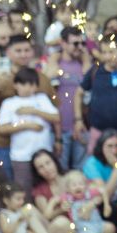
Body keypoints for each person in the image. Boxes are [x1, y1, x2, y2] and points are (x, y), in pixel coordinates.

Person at [0, 67, 60, 190]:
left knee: (47, 187)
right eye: (23, 84)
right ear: (15, 85)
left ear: (36, 86)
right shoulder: (9, 103)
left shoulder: (42, 98)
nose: (28, 88)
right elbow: (2, 128)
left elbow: (56, 117)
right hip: (21, 155)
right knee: (23, 189)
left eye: (32, 85)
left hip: (44, 153)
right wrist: (26, 125)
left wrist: (34, 111)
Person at [52, 26, 90, 170]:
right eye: (75, 43)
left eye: (82, 43)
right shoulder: (54, 64)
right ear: (63, 43)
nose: (79, 47)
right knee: (61, 171)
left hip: (81, 127)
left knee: (80, 173)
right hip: (59, 129)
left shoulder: (85, 65)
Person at [56, 169, 115, 233]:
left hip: (98, 224)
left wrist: (106, 205)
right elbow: (61, 202)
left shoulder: (89, 194)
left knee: (110, 228)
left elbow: (103, 190)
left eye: (81, 184)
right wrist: (63, 204)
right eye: (74, 185)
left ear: (86, 186)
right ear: (68, 189)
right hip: (84, 229)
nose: (78, 187)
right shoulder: (69, 198)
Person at [81, 130, 117, 207]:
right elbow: (105, 196)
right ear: (101, 147)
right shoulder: (92, 163)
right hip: (103, 205)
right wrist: (116, 167)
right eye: (109, 146)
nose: (114, 151)